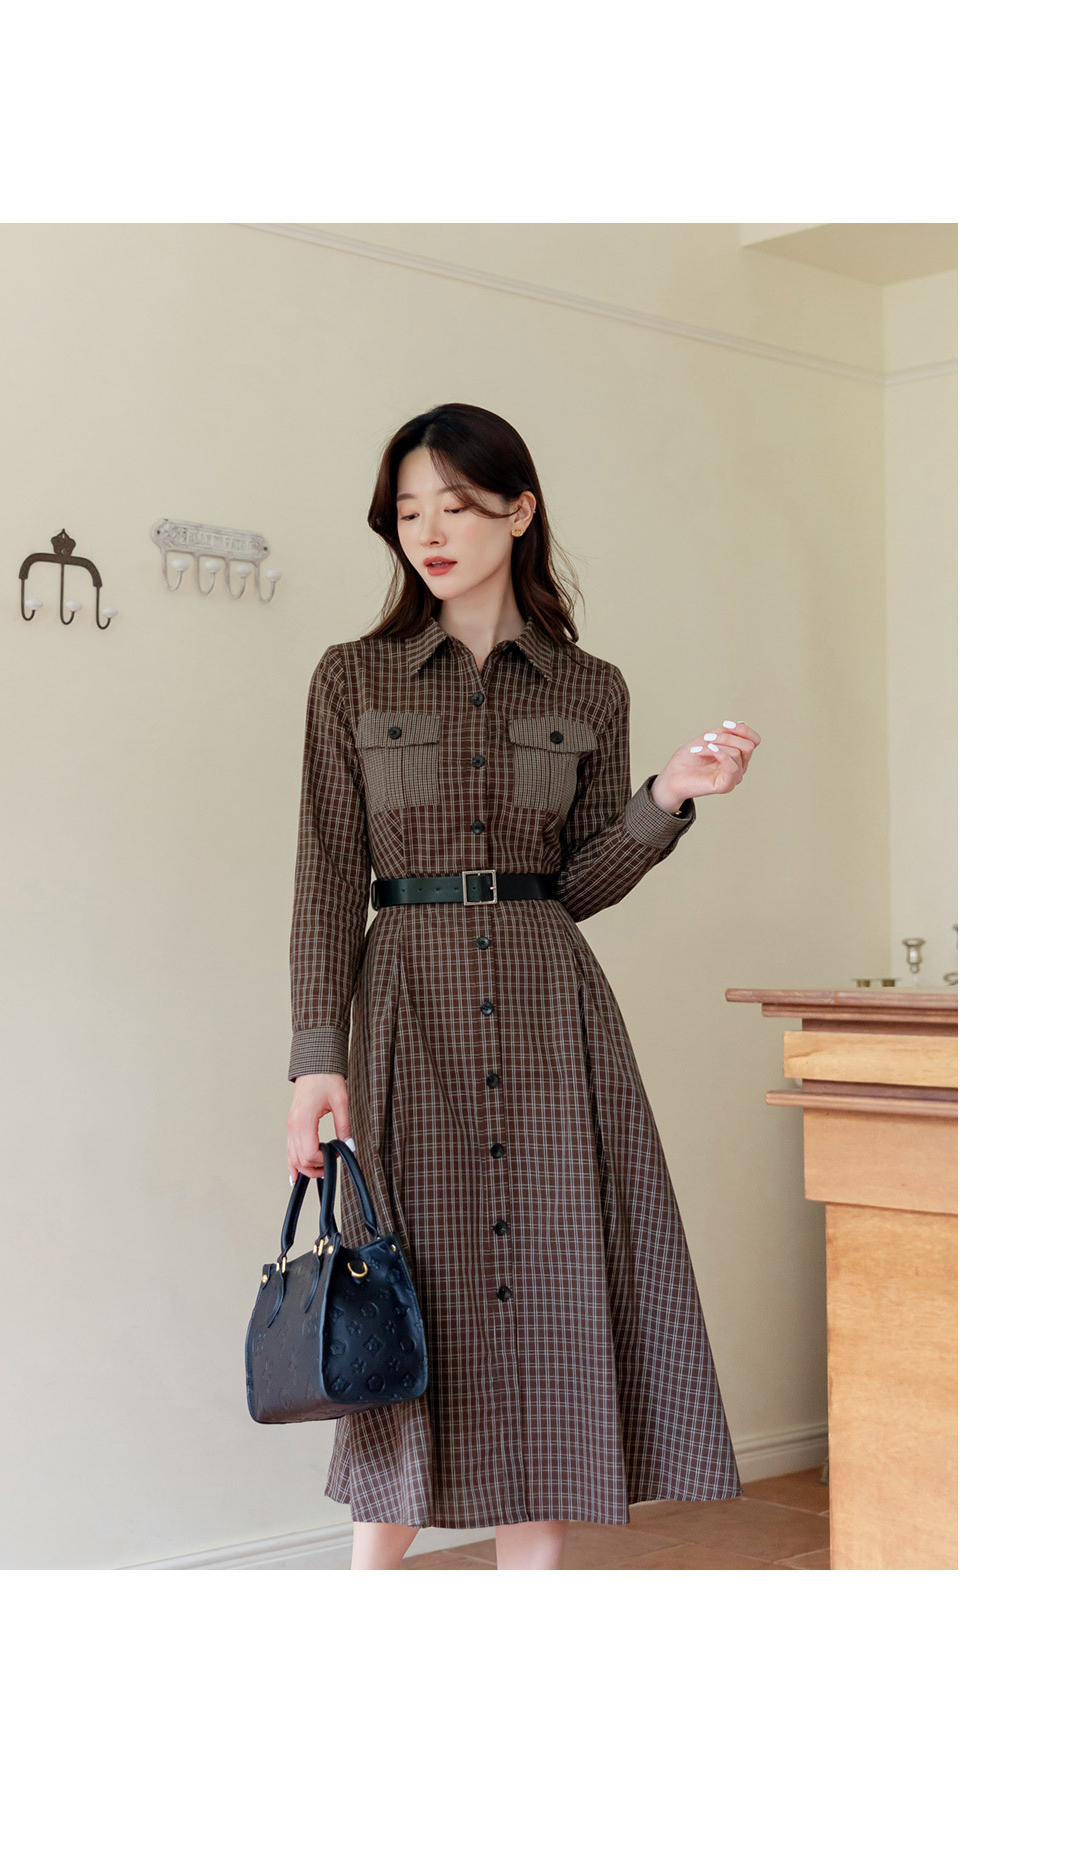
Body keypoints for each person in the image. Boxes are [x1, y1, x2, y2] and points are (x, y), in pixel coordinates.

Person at [285, 403, 760, 1571]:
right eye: (408, 511)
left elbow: (577, 881)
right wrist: (314, 1059)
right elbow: (327, 876)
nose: (429, 532)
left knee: (549, 1302)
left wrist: (668, 798)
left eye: (454, 505)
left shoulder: (590, 688)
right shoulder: (353, 678)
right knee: (406, 1296)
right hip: (408, 1014)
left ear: (518, 510)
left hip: (553, 1016)